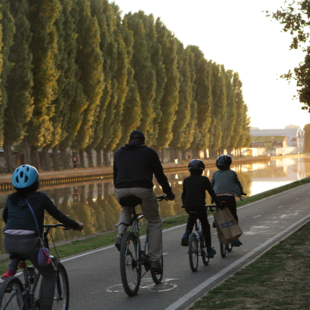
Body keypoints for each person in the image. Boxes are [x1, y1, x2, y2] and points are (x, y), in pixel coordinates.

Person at [1, 165, 84, 310]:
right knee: (50, 274)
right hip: (29, 243)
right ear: (36, 182)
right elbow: (59, 216)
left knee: (16, 251)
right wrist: (76, 225)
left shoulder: (10, 198)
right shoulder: (41, 197)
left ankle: (9, 274)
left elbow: (5, 217)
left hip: (8, 240)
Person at [113, 130, 175, 272]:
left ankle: (121, 234)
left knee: (126, 209)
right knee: (154, 221)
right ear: (143, 141)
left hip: (121, 189)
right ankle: (154, 259)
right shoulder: (149, 152)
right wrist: (169, 192)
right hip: (142, 188)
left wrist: (119, 190)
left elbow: (115, 176)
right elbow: (160, 175)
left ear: (129, 141)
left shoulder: (118, 153)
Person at [181, 159, 222, 258]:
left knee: (192, 217)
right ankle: (208, 249)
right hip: (200, 206)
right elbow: (211, 192)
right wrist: (218, 203)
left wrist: (184, 204)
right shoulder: (204, 180)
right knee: (205, 225)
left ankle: (186, 234)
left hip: (188, 205)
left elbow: (184, 194)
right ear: (202, 170)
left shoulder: (186, 180)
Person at [211, 154, 246, 246]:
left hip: (217, 197)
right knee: (233, 216)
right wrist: (241, 192)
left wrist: (212, 196)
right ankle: (234, 239)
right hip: (229, 197)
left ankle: (216, 220)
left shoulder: (215, 174)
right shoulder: (232, 173)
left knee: (219, 210)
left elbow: (211, 185)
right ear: (229, 164)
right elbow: (237, 183)